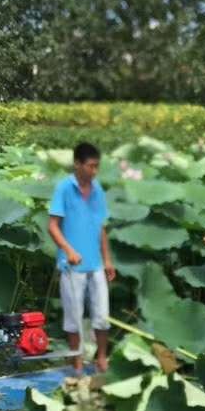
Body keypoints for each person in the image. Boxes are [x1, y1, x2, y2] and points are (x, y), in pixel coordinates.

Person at [47, 141, 116, 373]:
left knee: (102, 316)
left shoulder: (98, 191)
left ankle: (102, 358)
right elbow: (53, 226)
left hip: (95, 263)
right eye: (90, 166)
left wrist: (107, 260)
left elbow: (101, 228)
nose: (94, 171)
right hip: (71, 265)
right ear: (77, 164)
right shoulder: (64, 188)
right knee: (74, 317)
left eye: (97, 166)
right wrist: (69, 250)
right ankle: (76, 362)